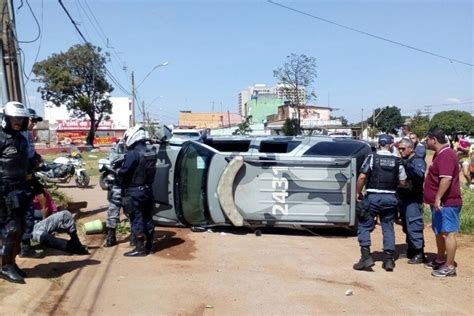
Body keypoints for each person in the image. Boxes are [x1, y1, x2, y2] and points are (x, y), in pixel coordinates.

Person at [353, 134, 406, 272]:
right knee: (388, 227)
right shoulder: (397, 160)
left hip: (373, 197)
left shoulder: (372, 157)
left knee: (364, 226)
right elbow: (402, 181)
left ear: (379, 144)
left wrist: (358, 192)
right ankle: (389, 260)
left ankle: (366, 257)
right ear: (391, 145)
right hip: (390, 199)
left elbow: (362, 176)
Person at [423, 127, 463, 277]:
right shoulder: (439, 155)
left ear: (433, 139)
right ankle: (440, 259)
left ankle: (450, 266)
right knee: (439, 232)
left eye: (427, 139)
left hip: (447, 203)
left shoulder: (446, 155)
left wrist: (438, 198)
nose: (426, 142)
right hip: (439, 203)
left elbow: (446, 179)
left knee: (448, 233)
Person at [0, 101, 31, 284]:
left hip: (21, 189)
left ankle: (12, 262)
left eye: (21, 118)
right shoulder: (1, 137)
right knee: (12, 229)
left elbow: (24, 163)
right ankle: (5, 267)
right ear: (6, 118)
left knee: (21, 228)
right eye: (14, 118)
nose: (18, 121)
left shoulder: (22, 139)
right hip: (4, 191)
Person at [117, 126, 158, 257]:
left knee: (136, 219)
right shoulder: (150, 152)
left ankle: (140, 249)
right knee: (148, 218)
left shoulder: (132, 154)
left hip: (134, 192)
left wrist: (117, 174)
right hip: (147, 190)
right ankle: (150, 246)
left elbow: (124, 172)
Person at [19, 108, 45, 258]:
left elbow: (31, 153)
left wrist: (37, 158)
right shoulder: (16, 135)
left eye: (35, 121)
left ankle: (25, 247)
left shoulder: (28, 134)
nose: (34, 123)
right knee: (19, 215)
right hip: (18, 180)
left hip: (28, 177)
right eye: (32, 120)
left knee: (28, 213)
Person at [397, 138, 426, 264]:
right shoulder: (403, 160)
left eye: (403, 149)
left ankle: (419, 252)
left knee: (414, 224)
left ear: (411, 148)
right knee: (406, 225)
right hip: (403, 197)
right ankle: (411, 249)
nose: (401, 151)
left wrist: (406, 166)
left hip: (413, 198)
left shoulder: (417, 160)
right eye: (399, 149)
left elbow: (419, 175)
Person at [104, 141, 126, 247]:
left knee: (133, 212)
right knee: (113, 210)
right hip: (118, 184)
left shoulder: (137, 149)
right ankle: (111, 236)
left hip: (130, 186)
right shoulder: (118, 147)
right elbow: (113, 158)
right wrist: (128, 156)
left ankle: (136, 237)